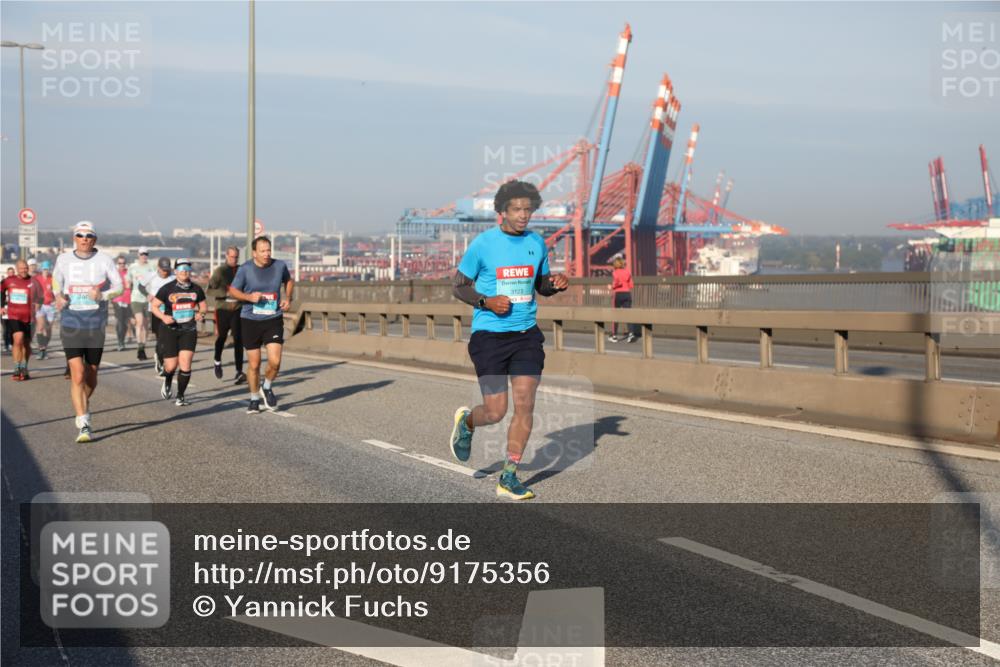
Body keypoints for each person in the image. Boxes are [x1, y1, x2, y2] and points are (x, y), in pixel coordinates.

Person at [448, 180, 569, 500]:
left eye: (528, 209)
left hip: (526, 335)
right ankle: (468, 422)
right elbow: (458, 285)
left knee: (526, 402)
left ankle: (509, 476)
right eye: (516, 209)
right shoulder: (484, 244)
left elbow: (540, 284)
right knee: (496, 410)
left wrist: (554, 283)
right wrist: (486, 301)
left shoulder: (537, 243)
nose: (523, 215)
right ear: (501, 212)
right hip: (489, 335)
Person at [52, 221, 123, 442]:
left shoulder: (104, 260)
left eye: (89, 235)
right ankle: (83, 422)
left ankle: (83, 402)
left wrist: (102, 296)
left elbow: (120, 287)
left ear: (95, 238)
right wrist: (58, 296)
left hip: (95, 324)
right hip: (71, 323)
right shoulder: (63, 259)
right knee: (78, 373)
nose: (84, 239)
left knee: (91, 376)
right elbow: (56, 282)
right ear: (75, 237)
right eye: (80, 235)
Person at [228, 236, 293, 413]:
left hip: (273, 318)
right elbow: (233, 290)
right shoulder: (245, 269)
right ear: (254, 253)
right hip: (250, 320)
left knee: (275, 361)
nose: (267, 254)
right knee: (254, 365)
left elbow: (288, 281)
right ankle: (254, 398)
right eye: (263, 251)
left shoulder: (279, 266)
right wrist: (249, 297)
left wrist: (288, 298)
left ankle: (267, 386)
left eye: (269, 250)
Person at [150, 259, 207, 406]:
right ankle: (168, 379)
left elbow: (203, 306)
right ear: (175, 271)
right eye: (181, 269)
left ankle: (180, 396)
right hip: (170, 330)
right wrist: (164, 317)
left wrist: (201, 314)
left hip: (189, 330)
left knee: (186, 365)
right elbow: (155, 306)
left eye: (187, 268)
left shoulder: (196, 289)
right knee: (171, 366)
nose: (184, 271)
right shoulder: (167, 288)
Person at [207, 246, 246, 383]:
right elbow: (210, 291)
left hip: (238, 308)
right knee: (222, 337)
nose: (234, 259)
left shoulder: (242, 270)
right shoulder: (220, 271)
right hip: (222, 309)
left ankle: (239, 371)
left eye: (236, 257)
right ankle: (217, 361)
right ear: (226, 256)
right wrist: (225, 293)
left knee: (238, 339)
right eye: (231, 257)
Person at [1, 259, 40, 380]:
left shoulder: (34, 281)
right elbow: (1, 291)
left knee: (27, 343)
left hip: (29, 316)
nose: (24, 270)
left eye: (25, 268)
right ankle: (17, 367)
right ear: (17, 268)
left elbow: (41, 296)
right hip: (14, 315)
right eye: (21, 268)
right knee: (18, 339)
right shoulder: (9, 280)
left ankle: (24, 366)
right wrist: (2, 306)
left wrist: (38, 304)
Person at [142, 257, 175, 376]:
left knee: (168, 338)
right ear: (158, 268)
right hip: (155, 311)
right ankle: (160, 359)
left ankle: (164, 359)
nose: (165, 272)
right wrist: (147, 295)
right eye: (163, 270)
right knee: (160, 338)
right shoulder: (151, 276)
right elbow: (140, 286)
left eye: (167, 270)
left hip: (169, 312)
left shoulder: (173, 277)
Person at [125, 247, 155, 360]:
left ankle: (143, 346)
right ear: (138, 255)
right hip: (136, 298)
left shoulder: (152, 267)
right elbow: (127, 280)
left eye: (146, 254)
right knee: (140, 322)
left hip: (148, 299)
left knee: (146, 325)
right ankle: (140, 348)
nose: (144, 256)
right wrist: (127, 284)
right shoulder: (133, 267)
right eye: (142, 254)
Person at [608, 255, 638, 343]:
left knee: (615, 315)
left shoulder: (615, 272)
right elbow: (631, 285)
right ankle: (631, 334)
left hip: (618, 294)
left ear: (615, 264)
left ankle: (613, 335)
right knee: (628, 314)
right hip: (627, 294)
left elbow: (617, 281)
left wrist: (612, 286)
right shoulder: (628, 272)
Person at [33, 260, 56, 360]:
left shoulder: (53, 279)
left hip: (51, 306)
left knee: (48, 330)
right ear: (41, 270)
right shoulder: (37, 279)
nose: (46, 271)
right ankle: (41, 349)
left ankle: (44, 349)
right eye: (44, 269)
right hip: (40, 305)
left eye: (47, 269)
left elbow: (57, 291)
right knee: (41, 327)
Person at [112, 255, 132, 351]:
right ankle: (120, 342)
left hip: (128, 299)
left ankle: (122, 340)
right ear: (117, 264)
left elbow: (133, 284)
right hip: (117, 299)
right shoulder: (114, 273)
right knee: (120, 321)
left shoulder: (129, 272)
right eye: (120, 263)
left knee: (125, 322)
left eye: (123, 263)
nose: (122, 265)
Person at [2, 266, 14, 352]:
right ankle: (6, 344)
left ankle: (11, 343)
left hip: (14, 307)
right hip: (4, 308)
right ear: (7, 273)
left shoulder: (18, 282)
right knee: (5, 327)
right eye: (10, 272)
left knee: (13, 327)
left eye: (12, 272)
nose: (11, 274)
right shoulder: (3, 282)